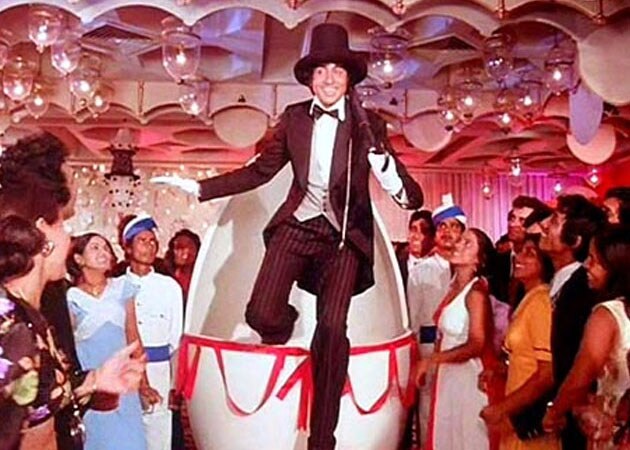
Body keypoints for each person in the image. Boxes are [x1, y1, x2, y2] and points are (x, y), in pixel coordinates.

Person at [152, 23, 423, 450]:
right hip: (298, 226)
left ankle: (322, 437)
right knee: (261, 314)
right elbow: (260, 171)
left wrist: (383, 166)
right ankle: (287, 324)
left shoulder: (369, 125)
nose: (329, 79)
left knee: (331, 328)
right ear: (310, 79)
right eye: (321, 71)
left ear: (349, 78)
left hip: (344, 239)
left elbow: (410, 197)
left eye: (337, 71)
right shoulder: (295, 118)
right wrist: (200, 188)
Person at [0, 133, 145, 450]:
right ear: (43, 234)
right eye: (63, 226)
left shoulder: (32, 313)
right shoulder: (13, 328)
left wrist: (95, 380)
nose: (69, 239)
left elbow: (39, 399)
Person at [66, 232, 162, 450]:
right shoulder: (70, 297)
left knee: (130, 441)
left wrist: (144, 383)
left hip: (124, 382)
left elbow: (133, 335)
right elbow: (68, 346)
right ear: (79, 259)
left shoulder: (122, 287)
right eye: (95, 248)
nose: (103, 252)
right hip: (93, 385)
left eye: (106, 248)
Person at [543, 225, 630, 449]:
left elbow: (581, 375)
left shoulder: (608, 314)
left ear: (616, 266)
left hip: (614, 431)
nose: (586, 266)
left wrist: (554, 412)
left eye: (594, 260)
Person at [414, 228, 497, 450]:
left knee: (465, 438)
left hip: (466, 378)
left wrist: (433, 359)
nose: (458, 244)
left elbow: (476, 343)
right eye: (460, 240)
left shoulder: (475, 293)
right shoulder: (453, 287)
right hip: (449, 376)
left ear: (478, 260)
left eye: (467, 243)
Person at [538, 194, 606, 450]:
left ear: (575, 240)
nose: (544, 225)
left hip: (581, 413)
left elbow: (579, 360)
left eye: (555, 221)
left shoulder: (582, 289)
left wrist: (561, 408)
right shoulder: (558, 282)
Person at [480, 235, 559, 450]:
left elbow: (547, 373)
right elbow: (525, 357)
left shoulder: (541, 302)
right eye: (520, 251)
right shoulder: (528, 299)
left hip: (527, 415)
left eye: (530, 254)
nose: (519, 257)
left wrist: (503, 408)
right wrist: (499, 368)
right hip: (517, 414)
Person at [405, 193, 465, 447]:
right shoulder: (421, 272)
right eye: (442, 227)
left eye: (454, 227)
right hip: (429, 352)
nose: (448, 232)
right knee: (429, 412)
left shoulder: (469, 272)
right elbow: (412, 321)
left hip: (463, 353)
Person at [122, 215, 184, 450]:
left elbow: (176, 341)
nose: (148, 247)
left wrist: (175, 384)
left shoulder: (169, 287)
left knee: (158, 436)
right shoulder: (117, 286)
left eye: (152, 241)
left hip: (160, 370)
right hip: (125, 369)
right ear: (128, 247)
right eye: (142, 241)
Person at [162, 229, 201, 450]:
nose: (182, 251)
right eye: (177, 246)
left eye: (187, 246)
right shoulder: (165, 278)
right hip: (170, 346)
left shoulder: (200, 281)